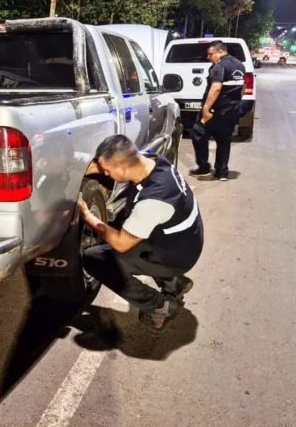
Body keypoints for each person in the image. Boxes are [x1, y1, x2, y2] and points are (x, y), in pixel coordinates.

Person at [78, 135, 204, 332]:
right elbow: (102, 165)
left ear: (121, 168)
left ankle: (160, 306)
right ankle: (175, 284)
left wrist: (87, 216)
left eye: (107, 171)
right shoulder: (151, 160)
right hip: (183, 241)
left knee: (95, 258)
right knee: (137, 232)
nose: (104, 174)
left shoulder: (153, 201)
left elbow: (121, 244)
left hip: (177, 256)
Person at [190, 41, 246, 181]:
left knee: (198, 133)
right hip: (231, 111)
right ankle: (222, 172)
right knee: (224, 140)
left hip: (216, 111)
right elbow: (242, 88)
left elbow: (216, 88)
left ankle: (204, 167)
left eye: (210, 54)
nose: (209, 57)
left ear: (220, 51)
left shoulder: (219, 66)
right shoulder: (239, 65)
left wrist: (206, 109)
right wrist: (235, 102)